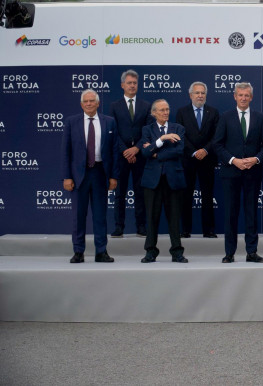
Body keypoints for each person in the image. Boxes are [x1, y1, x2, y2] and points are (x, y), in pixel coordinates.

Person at [213, 83, 263, 263]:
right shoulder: (225, 117)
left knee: (251, 213)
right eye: (240, 95)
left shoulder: (261, 118)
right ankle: (229, 253)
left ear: (251, 97)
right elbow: (217, 144)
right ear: (235, 96)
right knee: (230, 213)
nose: (244, 98)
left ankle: (251, 252)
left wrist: (256, 159)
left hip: (253, 173)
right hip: (230, 173)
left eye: (247, 95)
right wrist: (233, 160)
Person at [62, 89, 119, 263]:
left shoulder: (109, 122)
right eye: (85, 101)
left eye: (92, 101)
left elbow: (114, 151)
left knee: (100, 216)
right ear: (81, 104)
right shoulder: (72, 122)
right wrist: (67, 176)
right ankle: (78, 252)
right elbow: (66, 151)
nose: (88, 104)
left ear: (98, 103)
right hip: (79, 175)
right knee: (78, 216)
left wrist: (113, 176)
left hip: (100, 173)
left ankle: (101, 252)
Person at [139, 99, 188, 263]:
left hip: (173, 179)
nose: (165, 112)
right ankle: (150, 252)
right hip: (152, 181)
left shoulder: (179, 128)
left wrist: (155, 153)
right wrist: (163, 139)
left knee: (174, 218)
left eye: (167, 109)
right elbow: (145, 153)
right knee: (152, 218)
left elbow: (179, 151)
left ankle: (177, 252)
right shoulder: (147, 129)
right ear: (154, 113)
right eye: (161, 110)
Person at [109, 69, 152, 238]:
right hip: (121, 156)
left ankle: (141, 226)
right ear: (122, 85)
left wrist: (137, 149)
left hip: (140, 155)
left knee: (140, 191)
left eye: (135, 83)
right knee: (120, 193)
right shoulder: (114, 106)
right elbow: (113, 131)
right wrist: (125, 150)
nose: (132, 85)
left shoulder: (146, 106)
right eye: (129, 83)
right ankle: (119, 226)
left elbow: (148, 131)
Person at [176, 81, 220, 239]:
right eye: (197, 93)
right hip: (188, 159)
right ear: (190, 95)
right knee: (186, 195)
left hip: (207, 159)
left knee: (208, 195)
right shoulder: (182, 112)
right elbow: (180, 135)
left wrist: (205, 150)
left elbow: (217, 136)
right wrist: (194, 152)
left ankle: (208, 230)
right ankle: (185, 230)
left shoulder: (213, 112)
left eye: (203, 93)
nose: (200, 95)